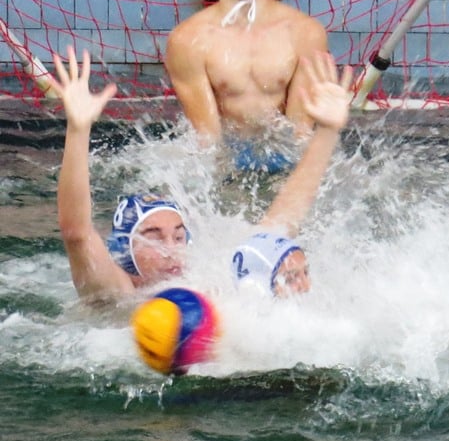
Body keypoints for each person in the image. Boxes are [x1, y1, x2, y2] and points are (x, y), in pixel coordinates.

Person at [52, 45, 351, 303]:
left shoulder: (206, 281)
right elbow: (77, 233)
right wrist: (78, 129)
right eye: (154, 237)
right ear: (124, 249)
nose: (171, 250)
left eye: (179, 236)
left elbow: (280, 224)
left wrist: (327, 131)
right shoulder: (116, 293)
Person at [164, 0, 329, 155]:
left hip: (281, 154)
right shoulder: (188, 41)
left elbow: (299, 136)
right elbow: (208, 143)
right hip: (225, 155)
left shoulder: (305, 34)